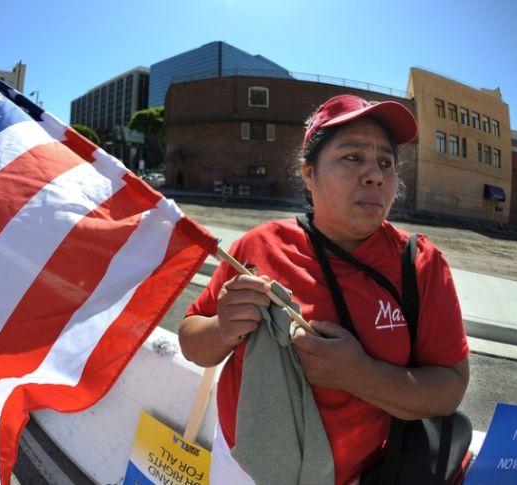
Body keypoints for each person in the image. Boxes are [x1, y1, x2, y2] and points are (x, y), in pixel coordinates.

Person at [178, 94, 470, 485]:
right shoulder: (258, 247)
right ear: (309, 174)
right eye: (352, 157)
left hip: (355, 475)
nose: (375, 175)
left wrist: (359, 374)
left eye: (386, 163)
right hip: (239, 467)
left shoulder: (420, 264)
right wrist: (222, 328)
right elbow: (191, 340)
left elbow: (449, 388)